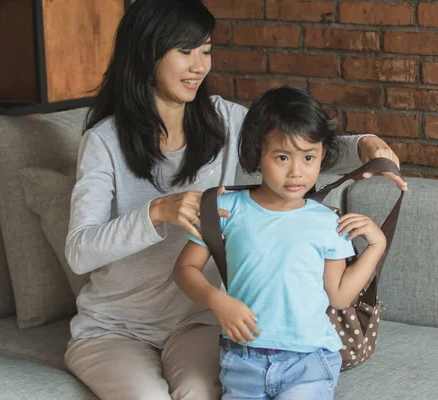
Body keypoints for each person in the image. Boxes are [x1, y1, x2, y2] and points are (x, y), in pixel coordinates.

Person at [64, 0, 406, 399]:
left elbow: (290, 145)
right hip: (114, 328)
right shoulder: (103, 142)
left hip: (197, 321)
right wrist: (156, 212)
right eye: (185, 51)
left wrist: (364, 146)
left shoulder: (221, 119)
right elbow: (79, 251)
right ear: (146, 52)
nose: (200, 66)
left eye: (206, 50)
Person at [173, 86, 388, 399]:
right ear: (257, 153)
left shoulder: (327, 221)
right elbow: (185, 268)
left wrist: (376, 248)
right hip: (242, 361)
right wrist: (217, 301)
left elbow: (340, 296)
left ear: (322, 157)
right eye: (283, 156)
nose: (296, 171)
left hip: (309, 362)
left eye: (309, 157)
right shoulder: (226, 208)